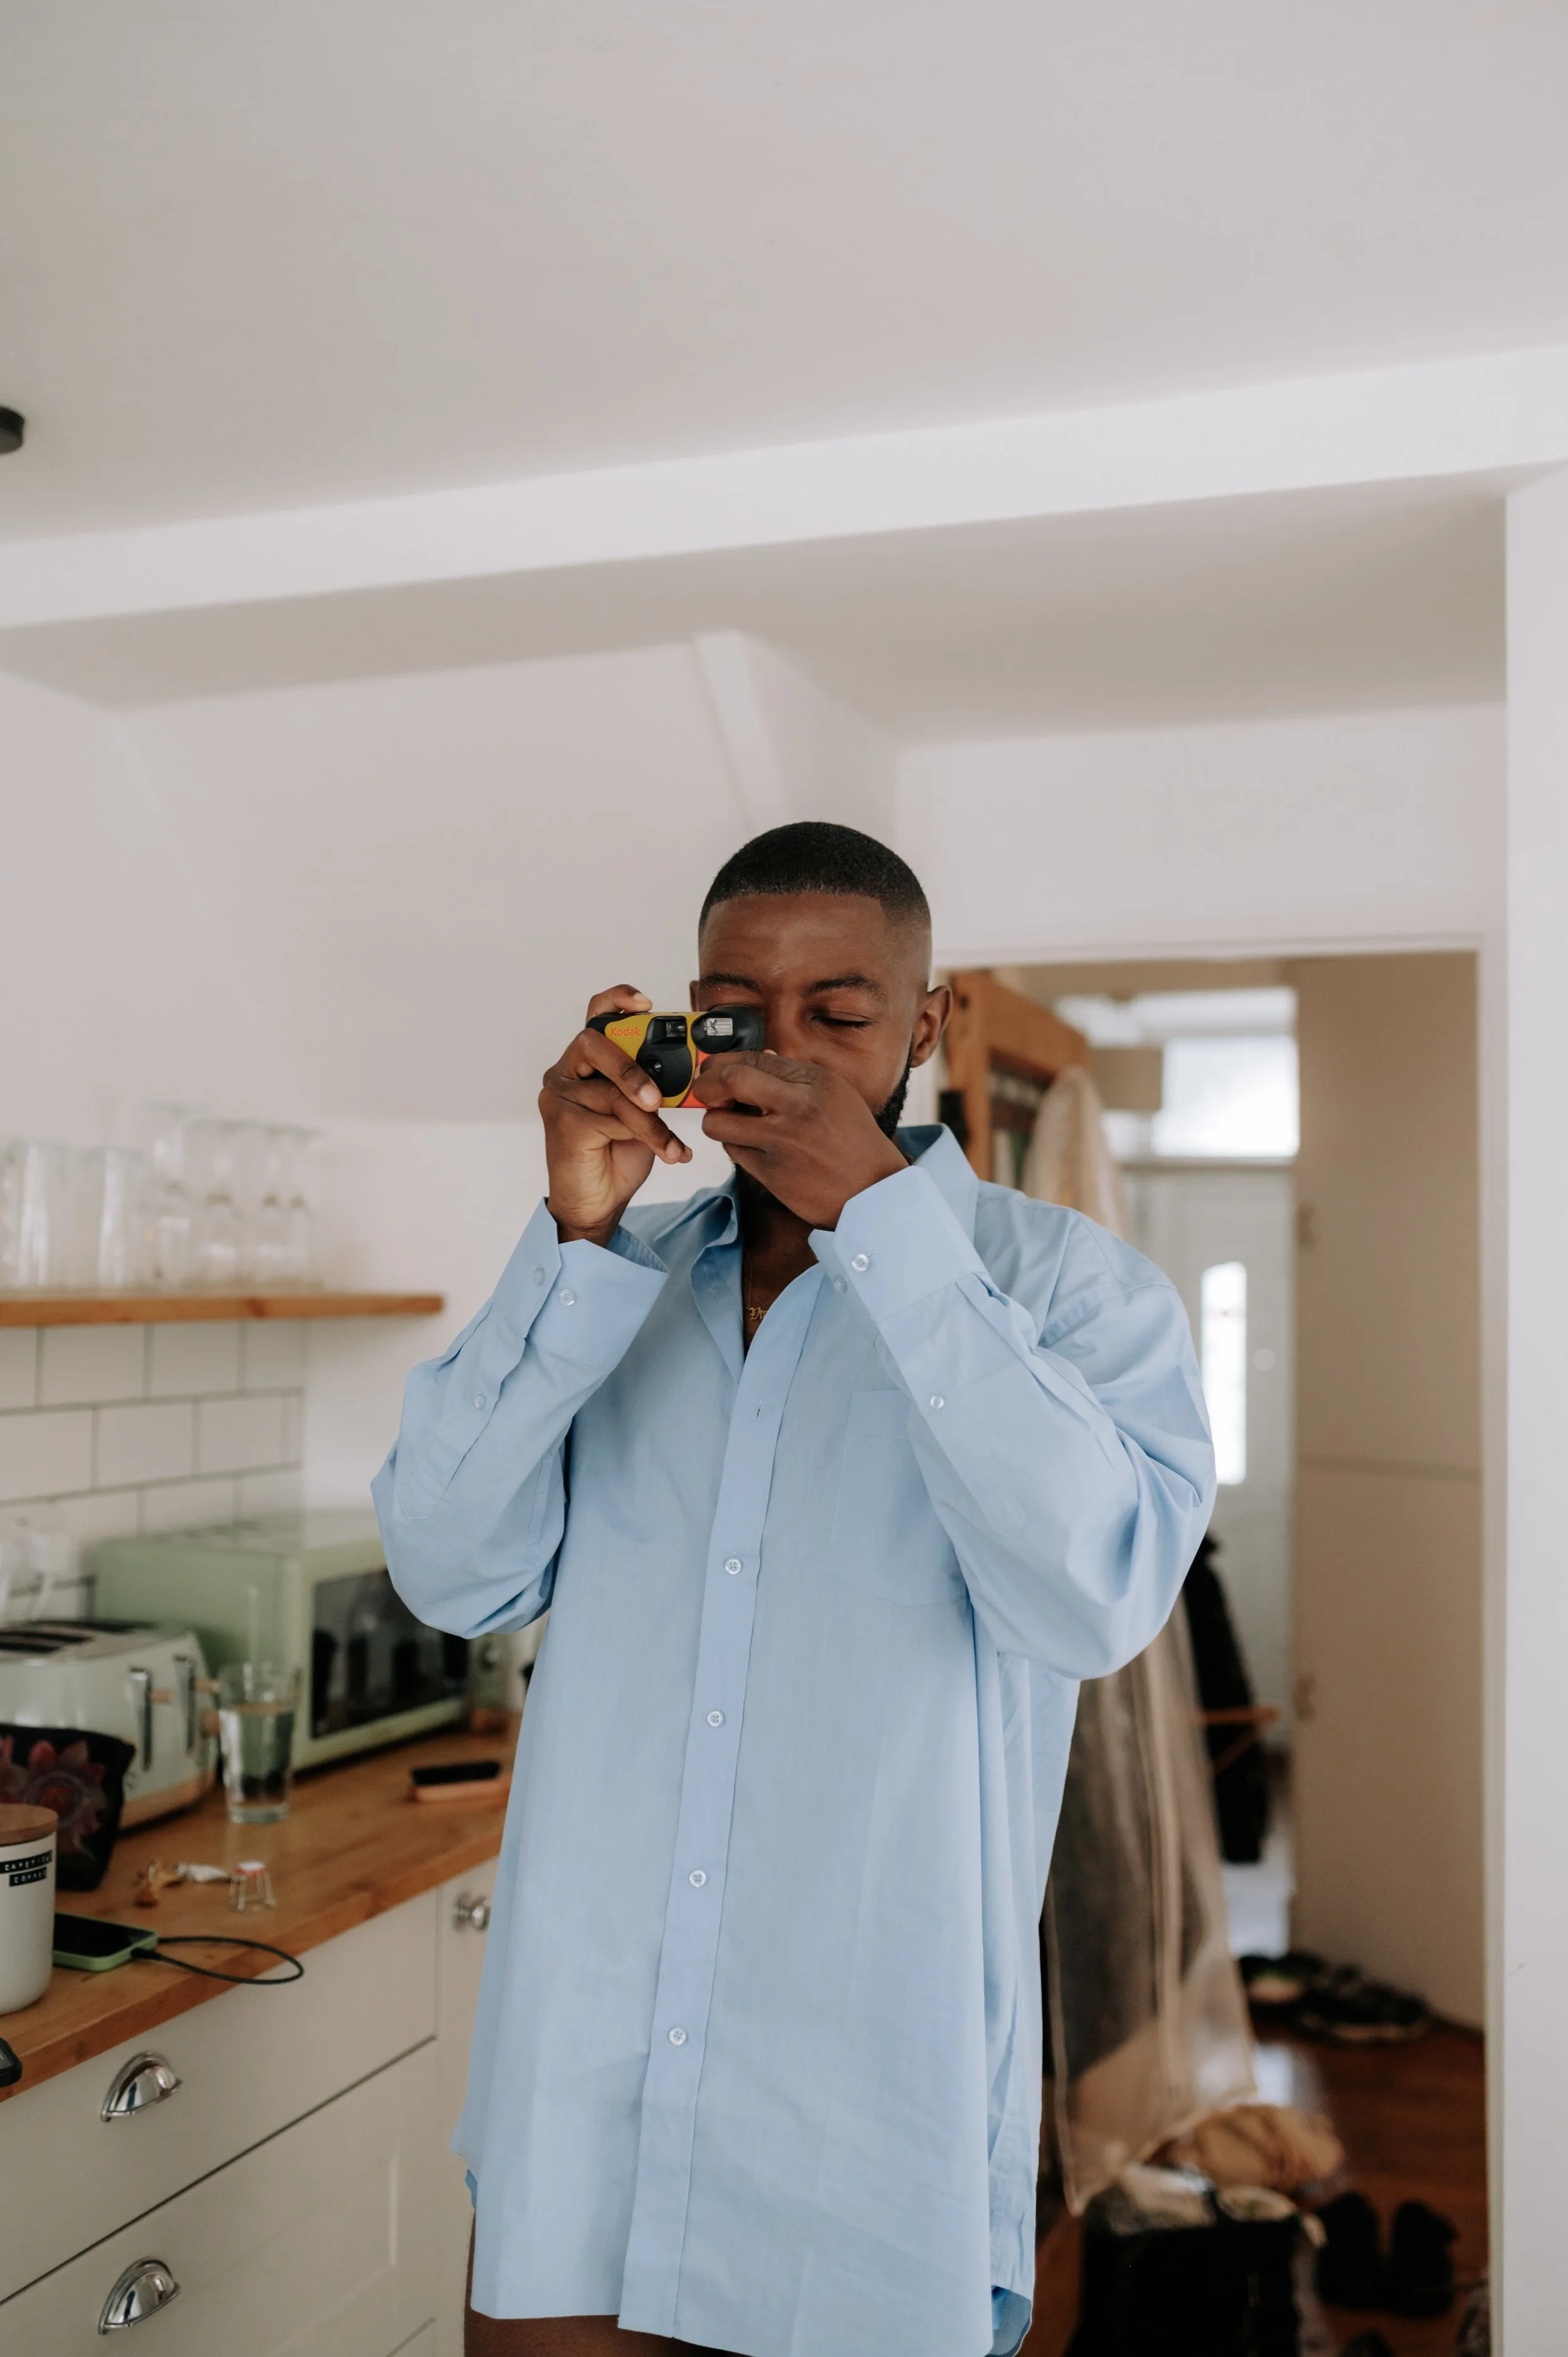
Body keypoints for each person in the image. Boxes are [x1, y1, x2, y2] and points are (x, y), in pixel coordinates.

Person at [374, 822, 1216, 2357]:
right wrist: (573, 1233)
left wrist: (882, 1226)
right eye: (734, 1010)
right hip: (582, 2092)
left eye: (838, 1011)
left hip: (862, 2122)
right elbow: (448, 1572)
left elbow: (1089, 1601)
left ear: (924, 1023)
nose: (785, 1050)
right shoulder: (604, 1283)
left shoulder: (1073, 1295)